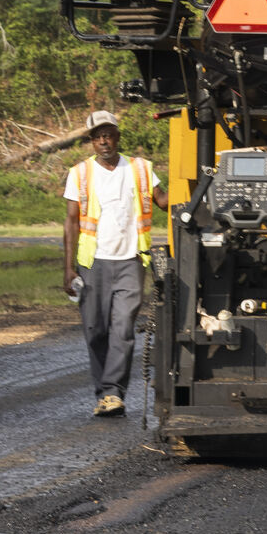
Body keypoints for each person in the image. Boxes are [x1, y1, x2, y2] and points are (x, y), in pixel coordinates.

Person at [62, 111, 166, 418]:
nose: (103, 141)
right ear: (91, 142)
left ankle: (111, 393)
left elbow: (162, 200)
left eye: (108, 135)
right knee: (96, 330)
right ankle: (104, 392)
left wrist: (202, 189)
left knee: (122, 328)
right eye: (97, 136)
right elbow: (70, 221)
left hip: (131, 261)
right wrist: (68, 269)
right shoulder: (79, 173)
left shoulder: (140, 168)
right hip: (93, 263)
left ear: (117, 137)